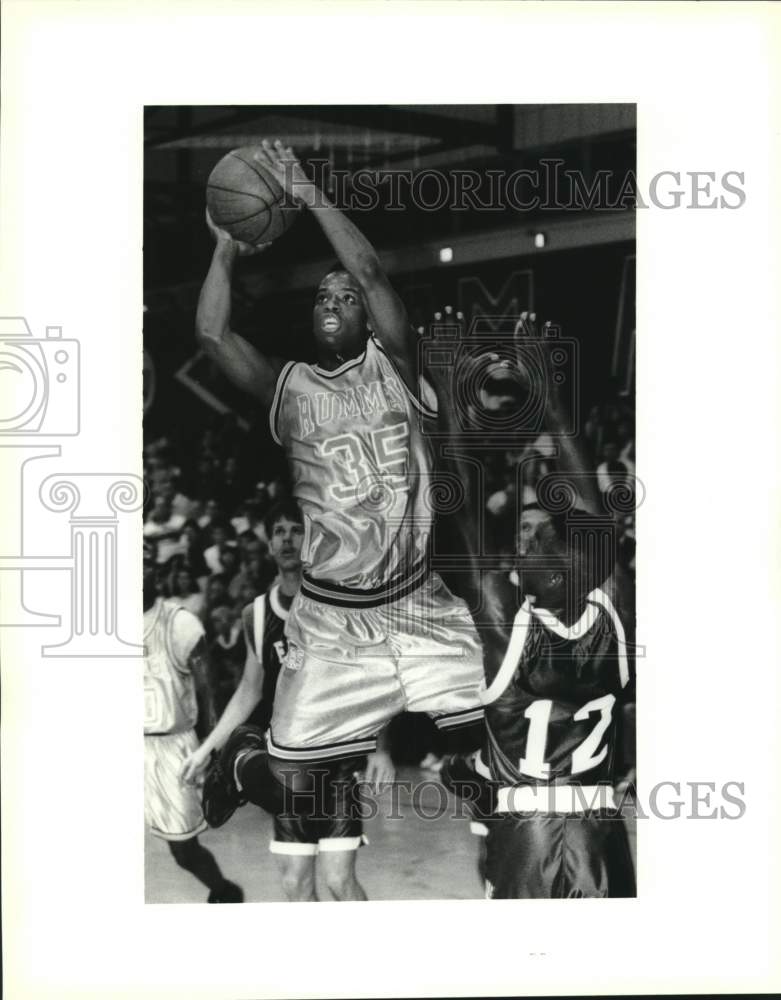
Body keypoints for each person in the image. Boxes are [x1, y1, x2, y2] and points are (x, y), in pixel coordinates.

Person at [194, 139, 484, 784]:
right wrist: (224, 247)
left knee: (487, 728)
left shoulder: (396, 365)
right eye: (323, 295)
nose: (332, 299)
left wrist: (305, 190)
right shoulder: (289, 386)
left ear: (369, 319)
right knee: (289, 778)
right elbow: (213, 336)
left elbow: (373, 273)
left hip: (413, 598)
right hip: (329, 612)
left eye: (345, 297)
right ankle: (244, 761)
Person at [444, 314, 636, 899]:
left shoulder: (507, 621)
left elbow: (463, 495)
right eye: (527, 536)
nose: (530, 544)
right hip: (598, 830)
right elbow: (590, 508)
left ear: (573, 568)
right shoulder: (614, 612)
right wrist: (549, 397)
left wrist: (450, 393)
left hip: (530, 829)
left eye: (546, 540)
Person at [182, 501, 394, 901]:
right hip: (288, 763)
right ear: (268, 545)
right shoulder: (256, 614)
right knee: (295, 883)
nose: (286, 539)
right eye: (278, 531)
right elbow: (248, 690)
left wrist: (381, 749)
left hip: (336, 762)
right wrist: (206, 750)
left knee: (338, 880)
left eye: (296, 530)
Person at [143, 539, 243, 903]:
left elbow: (207, 692)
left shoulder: (179, 623)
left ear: (159, 571)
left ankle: (224, 891)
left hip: (168, 745)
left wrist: (213, 749)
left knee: (183, 850)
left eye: (145, 562)